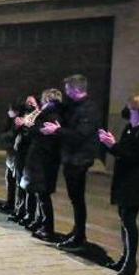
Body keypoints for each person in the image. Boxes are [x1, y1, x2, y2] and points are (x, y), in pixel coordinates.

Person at [98, 95, 139, 275]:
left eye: (129, 108)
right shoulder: (130, 128)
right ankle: (124, 258)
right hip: (125, 180)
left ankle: (131, 262)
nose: (126, 112)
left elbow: (134, 156)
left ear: (137, 112)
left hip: (135, 181)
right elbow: (122, 151)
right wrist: (111, 144)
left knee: (129, 221)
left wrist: (113, 145)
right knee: (123, 219)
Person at [40, 74, 99, 250]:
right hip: (71, 158)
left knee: (77, 199)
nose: (65, 92)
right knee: (75, 199)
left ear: (75, 89)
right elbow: (64, 109)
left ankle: (80, 236)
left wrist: (58, 131)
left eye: (67, 89)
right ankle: (76, 231)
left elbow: (80, 135)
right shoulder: (75, 106)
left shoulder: (88, 109)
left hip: (79, 159)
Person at [22, 89, 63, 241]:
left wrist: (31, 124)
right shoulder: (52, 114)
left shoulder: (49, 115)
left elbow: (34, 129)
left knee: (43, 195)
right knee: (41, 195)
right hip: (44, 160)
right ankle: (42, 224)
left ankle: (47, 228)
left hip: (43, 161)